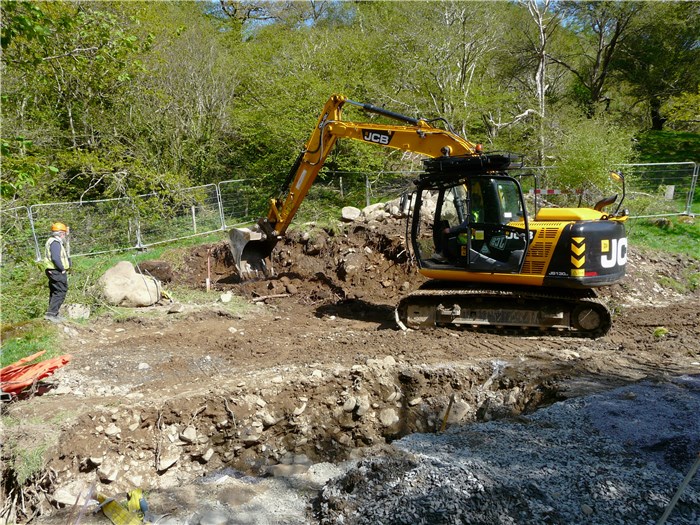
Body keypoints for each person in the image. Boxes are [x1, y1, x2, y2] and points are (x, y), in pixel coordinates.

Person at [43, 222, 71, 322]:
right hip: (56, 271)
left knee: (55, 291)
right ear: (61, 233)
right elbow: (55, 258)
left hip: (53, 270)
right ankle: (51, 314)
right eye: (64, 233)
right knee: (61, 291)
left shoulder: (53, 241)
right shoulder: (55, 243)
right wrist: (62, 269)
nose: (65, 235)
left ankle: (53, 313)